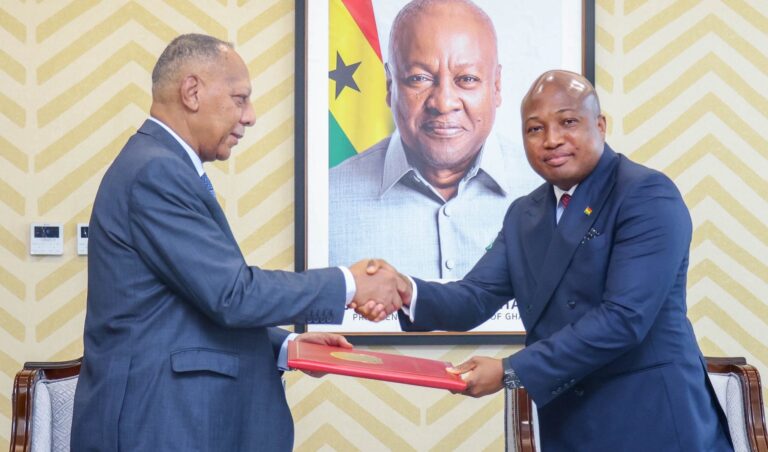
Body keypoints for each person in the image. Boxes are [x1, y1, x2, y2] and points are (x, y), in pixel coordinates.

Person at [71, 34, 404, 451]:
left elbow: (191, 305)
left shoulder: (161, 164)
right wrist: (350, 283)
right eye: (240, 98)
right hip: (157, 425)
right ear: (192, 92)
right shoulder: (156, 172)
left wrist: (288, 345)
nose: (251, 116)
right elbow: (232, 295)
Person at [370, 70, 732, 450]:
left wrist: (510, 371)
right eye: (535, 129)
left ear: (600, 125)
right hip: (568, 426)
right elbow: (474, 296)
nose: (552, 140)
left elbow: (624, 319)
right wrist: (403, 291)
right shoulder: (525, 214)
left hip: (651, 423)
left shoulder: (645, 194)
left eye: (568, 122)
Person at [328, 0, 541, 279]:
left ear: (497, 86)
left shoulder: (549, 191)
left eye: (467, 79)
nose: (443, 103)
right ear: (390, 85)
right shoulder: (326, 201)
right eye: (419, 78)